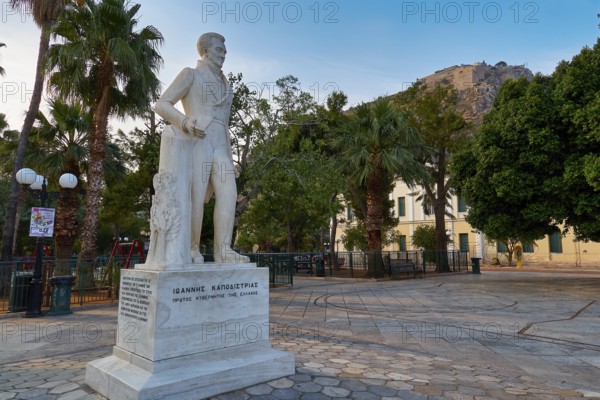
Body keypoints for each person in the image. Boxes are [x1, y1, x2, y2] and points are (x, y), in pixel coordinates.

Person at [152, 32, 248, 264]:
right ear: (205, 51)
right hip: (198, 140)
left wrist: (231, 155)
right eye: (219, 50)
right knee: (195, 197)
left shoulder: (227, 86)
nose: (223, 54)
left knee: (229, 194)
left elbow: (224, 123)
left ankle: (223, 251)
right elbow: (162, 104)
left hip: (220, 146)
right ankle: (192, 249)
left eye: (225, 51)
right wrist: (185, 122)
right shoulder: (190, 75)